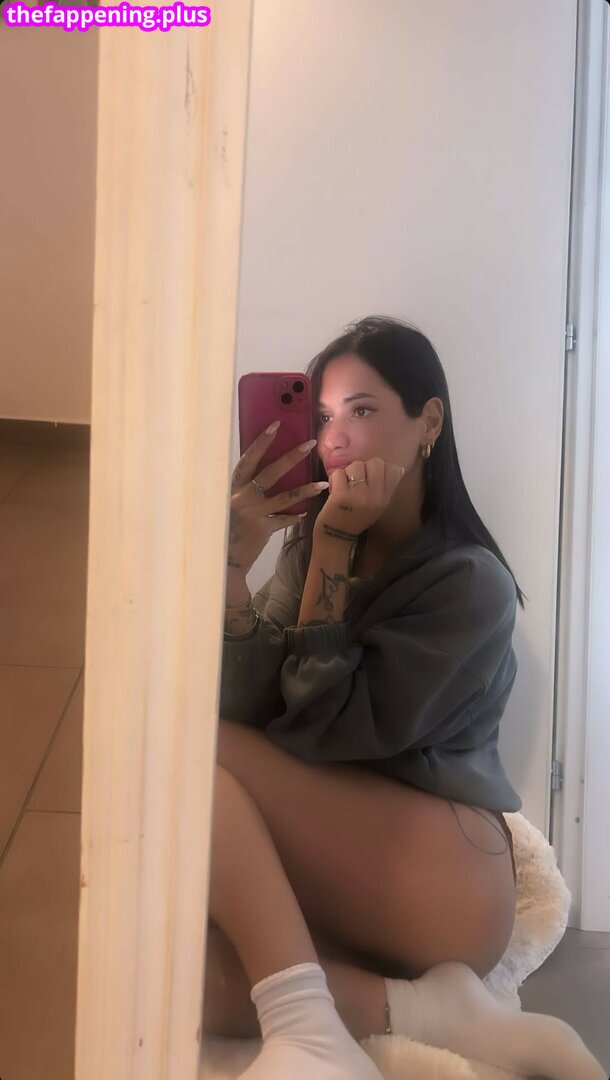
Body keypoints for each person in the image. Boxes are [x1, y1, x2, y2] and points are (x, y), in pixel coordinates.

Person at [203, 317, 605, 1080]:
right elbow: (247, 707)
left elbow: (318, 734)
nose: (334, 438)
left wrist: (333, 548)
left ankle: (310, 1035)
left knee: (187, 748)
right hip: (351, 853)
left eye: (362, 410)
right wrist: (231, 569)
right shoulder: (310, 540)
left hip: (444, 878)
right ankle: (430, 1012)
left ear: (429, 422)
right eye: (323, 416)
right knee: (183, 966)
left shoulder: (471, 584)